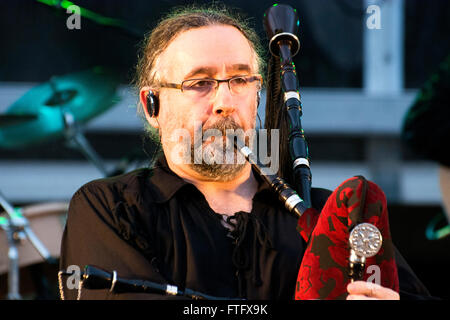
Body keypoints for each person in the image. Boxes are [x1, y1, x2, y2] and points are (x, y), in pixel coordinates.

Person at [59, 5, 432, 300]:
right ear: (152, 105)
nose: (225, 101)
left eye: (240, 80)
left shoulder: (330, 216)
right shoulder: (110, 208)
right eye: (200, 83)